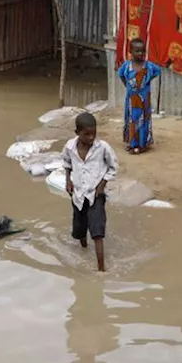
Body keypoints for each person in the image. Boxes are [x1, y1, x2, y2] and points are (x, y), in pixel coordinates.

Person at [63, 111, 118, 272]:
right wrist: (68, 180)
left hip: (96, 194)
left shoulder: (103, 148)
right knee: (80, 228)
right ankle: (84, 248)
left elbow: (113, 167)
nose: (91, 138)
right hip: (78, 194)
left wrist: (101, 186)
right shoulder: (70, 147)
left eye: (93, 134)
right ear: (77, 133)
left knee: (97, 232)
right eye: (86, 134)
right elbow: (66, 163)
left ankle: (101, 270)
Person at [116, 38, 162, 154]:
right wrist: (127, 85)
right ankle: (132, 144)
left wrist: (146, 81)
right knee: (132, 120)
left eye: (142, 51)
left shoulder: (149, 66)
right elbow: (120, 74)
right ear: (130, 52)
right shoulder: (127, 66)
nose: (140, 54)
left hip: (144, 101)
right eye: (137, 51)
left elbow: (158, 72)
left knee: (143, 121)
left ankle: (142, 145)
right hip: (131, 100)